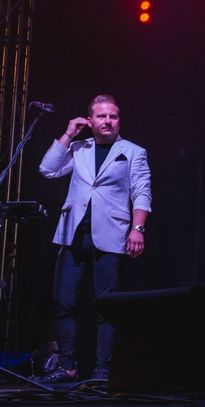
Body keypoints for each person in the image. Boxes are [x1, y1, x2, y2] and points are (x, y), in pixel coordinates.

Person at [38, 95, 152, 382]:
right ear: (90, 120)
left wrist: (137, 229)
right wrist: (68, 134)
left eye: (113, 116)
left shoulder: (132, 152)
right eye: (102, 116)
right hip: (73, 234)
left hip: (111, 234)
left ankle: (102, 371)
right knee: (63, 302)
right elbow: (48, 169)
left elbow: (142, 192)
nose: (108, 121)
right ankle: (68, 366)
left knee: (106, 307)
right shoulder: (79, 148)